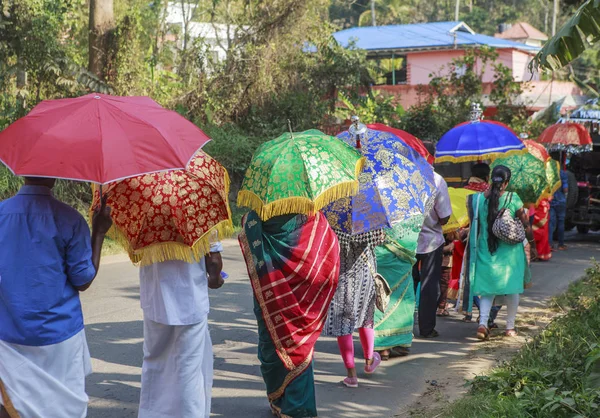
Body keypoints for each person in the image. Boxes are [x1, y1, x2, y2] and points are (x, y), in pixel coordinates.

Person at [0, 177, 112, 418]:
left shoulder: (1, 214)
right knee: (63, 407)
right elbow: (83, 280)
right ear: (54, 176)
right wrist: (99, 233)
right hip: (60, 335)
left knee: (14, 405)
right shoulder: (70, 219)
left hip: (9, 334)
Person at [239, 211, 340, 417]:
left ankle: (283, 401)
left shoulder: (255, 217)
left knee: (273, 344)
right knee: (300, 346)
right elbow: (328, 255)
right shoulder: (314, 218)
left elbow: (246, 230)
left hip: (269, 292)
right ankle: (296, 406)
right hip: (303, 294)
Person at [137, 238, 224, 418]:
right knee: (188, 368)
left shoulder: (144, 213)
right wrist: (214, 278)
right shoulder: (198, 211)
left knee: (154, 361)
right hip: (189, 301)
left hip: (154, 300)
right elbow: (213, 259)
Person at [467, 165, 535, 340]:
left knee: (488, 291)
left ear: (491, 180)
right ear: (506, 182)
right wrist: (532, 245)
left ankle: (482, 324)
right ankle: (510, 328)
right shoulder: (513, 198)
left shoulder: (479, 199)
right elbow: (526, 224)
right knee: (512, 290)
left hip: (485, 250)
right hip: (510, 254)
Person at [323, 228, 385, 388]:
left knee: (344, 325)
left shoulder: (334, 220)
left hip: (343, 278)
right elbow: (380, 239)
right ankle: (369, 360)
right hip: (365, 277)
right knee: (366, 318)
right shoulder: (370, 219)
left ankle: (351, 375)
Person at [374, 218, 421, 360]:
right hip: (404, 253)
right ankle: (400, 343)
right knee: (404, 296)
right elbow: (416, 226)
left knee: (379, 294)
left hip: (379, 251)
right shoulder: (412, 202)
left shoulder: (371, 198)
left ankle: (382, 347)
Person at [413, 171, 452, 338]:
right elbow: (444, 217)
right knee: (429, 286)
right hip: (431, 241)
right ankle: (426, 328)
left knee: (405, 285)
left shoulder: (402, 174)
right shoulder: (436, 180)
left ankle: (402, 328)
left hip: (406, 239)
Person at [549, 165, 569, 251]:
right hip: (561, 201)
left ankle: (549, 244)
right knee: (561, 222)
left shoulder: (548, 173)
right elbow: (565, 189)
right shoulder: (562, 173)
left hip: (551, 201)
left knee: (551, 223)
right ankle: (561, 244)